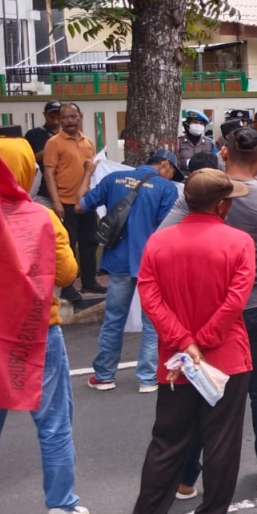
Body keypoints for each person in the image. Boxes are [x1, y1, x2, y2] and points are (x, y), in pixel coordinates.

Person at [123, 169, 255, 514]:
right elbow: (236, 300)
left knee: (167, 441)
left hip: (176, 362)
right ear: (220, 205)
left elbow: (151, 299)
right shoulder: (239, 242)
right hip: (226, 359)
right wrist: (205, 339)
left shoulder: (158, 243)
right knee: (221, 442)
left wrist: (184, 342)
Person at [0, 136, 88, 514]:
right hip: (37, 335)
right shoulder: (39, 217)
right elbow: (68, 275)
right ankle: (60, 511)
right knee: (53, 426)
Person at [167, 128, 257, 496]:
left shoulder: (199, 194)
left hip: (205, 310)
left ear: (223, 153)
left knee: (202, 390)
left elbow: (165, 239)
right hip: (256, 306)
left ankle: (188, 476)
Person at [78, 150, 182, 392]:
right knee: (152, 321)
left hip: (119, 261)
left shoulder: (113, 179)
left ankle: (104, 376)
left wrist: (87, 173)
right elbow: (167, 230)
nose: (171, 177)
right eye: (172, 172)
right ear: (165, 164)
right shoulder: (166, 189)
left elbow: (80, 204)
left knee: (114, 319)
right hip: (152, 263)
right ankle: (147, 377)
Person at [43, 102, 105, 301]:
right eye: (65, 117)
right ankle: (68, 286)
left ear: (80, 117)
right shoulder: (53, 143)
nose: (70, 120)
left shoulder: (88, 142)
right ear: (60, 121)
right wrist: (56, 202)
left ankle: (89, 282)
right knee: (68, 245)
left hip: (86, 202)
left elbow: (93, 172)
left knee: (90, 243)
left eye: (73, 116)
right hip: (65, 203)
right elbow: (49, 174)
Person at [25, 99, 62, 208]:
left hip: (64, 192)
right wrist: (43, 154)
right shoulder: (34, 135)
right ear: (44, 115)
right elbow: (26, 162)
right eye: (52, 117)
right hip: (42, 193)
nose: (55, 120)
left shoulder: (67, 136)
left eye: (58, 116)